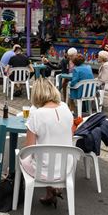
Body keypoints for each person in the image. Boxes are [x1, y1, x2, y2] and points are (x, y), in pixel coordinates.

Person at [21, 78, 74, 206]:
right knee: (49, 154)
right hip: (66, 168)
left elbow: (29, 149)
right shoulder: (66, 109)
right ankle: (51, 191)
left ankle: (17, 193)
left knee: (23, 158)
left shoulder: (37, 115)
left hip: (44, 172)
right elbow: (70, 134)